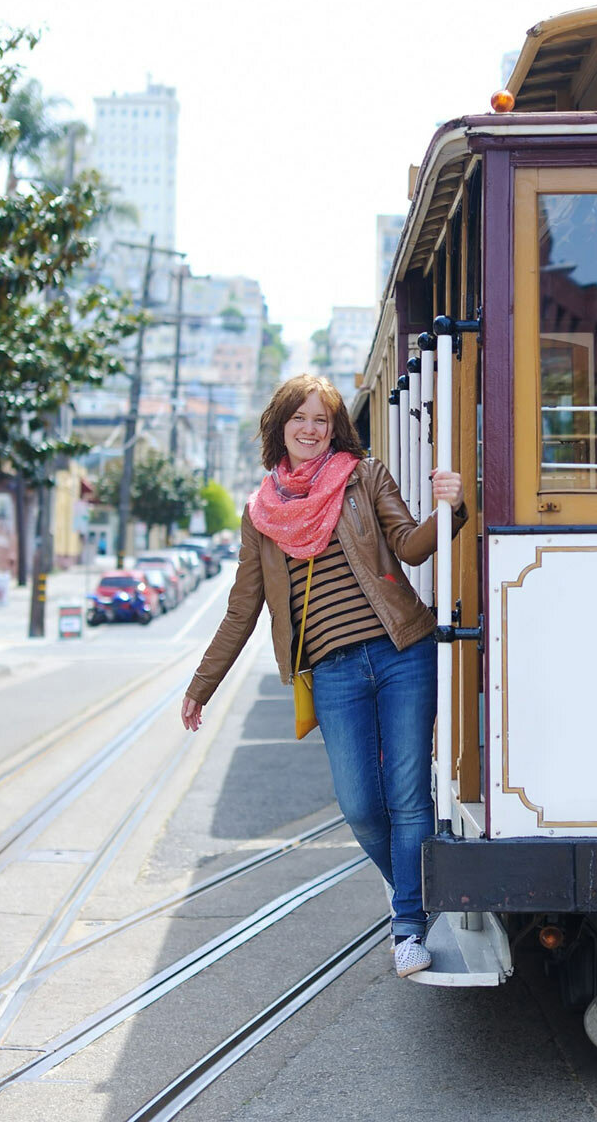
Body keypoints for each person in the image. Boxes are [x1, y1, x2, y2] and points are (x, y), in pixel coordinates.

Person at [181, 373, 467, 977]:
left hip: (401, 652)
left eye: (322, 420)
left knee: (409, 796)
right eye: (299, 419)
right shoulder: (261, 516)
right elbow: (242, 608)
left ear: (335, 428)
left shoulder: (365, 477)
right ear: (279, 428)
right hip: (333, 671)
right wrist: (200, 685)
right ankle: (413, 887)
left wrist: (451, 508)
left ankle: (409, 926)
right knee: (361, 805)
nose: (311, 430)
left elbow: (412, 549)